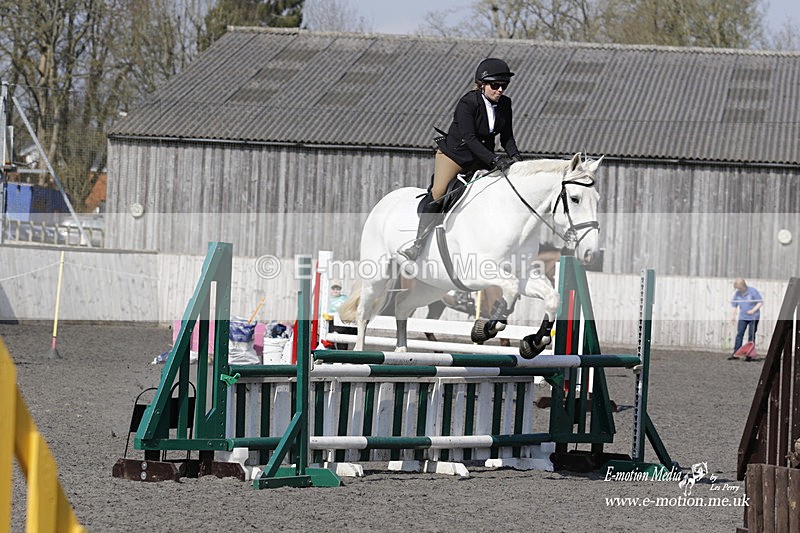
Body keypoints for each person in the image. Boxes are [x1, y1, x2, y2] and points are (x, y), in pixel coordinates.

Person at [399, 57, 523, 261]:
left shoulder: (505, 104)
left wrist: (517, 160)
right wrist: (494, 160)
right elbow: (470, 138)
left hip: (482, 157)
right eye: (495, 85)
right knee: (439, 192)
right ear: (482, 85)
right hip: (455, 155)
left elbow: (507, 137)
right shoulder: (468, 102)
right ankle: (418, 243)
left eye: (504, 85)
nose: (500, 90)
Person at [729, 278, 763, 360]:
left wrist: (753, 310)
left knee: (751, 335)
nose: (738, 290)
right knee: (739, 334)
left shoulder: (752, 291)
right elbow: (734, 305)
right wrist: (733, 315)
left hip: (754, 317)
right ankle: (736, 353)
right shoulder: (737, 294)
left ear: (743, 286)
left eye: (739, 288)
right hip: (743, 317)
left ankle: (750, 354)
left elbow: (760, 302)